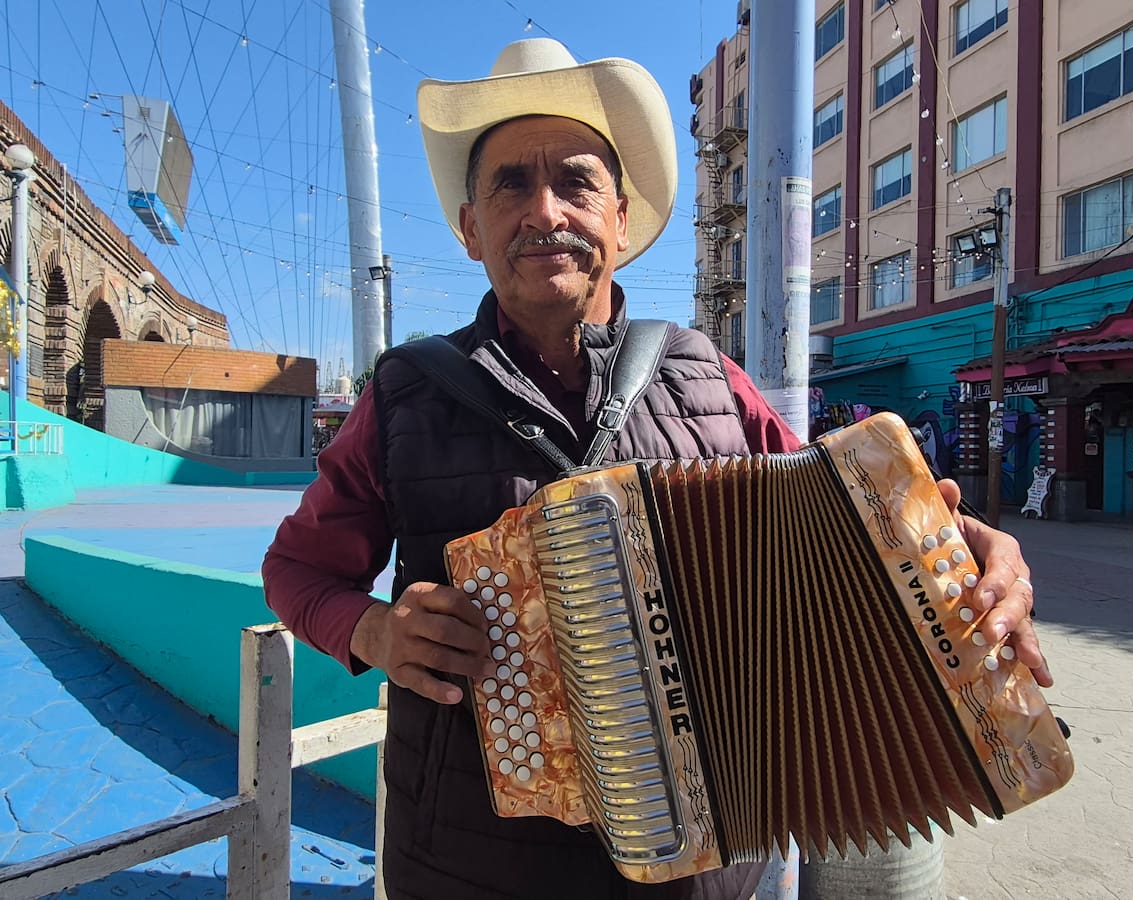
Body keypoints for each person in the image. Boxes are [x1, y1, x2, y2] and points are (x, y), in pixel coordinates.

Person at [262, 38, 1049, 900]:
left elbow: (851, 524)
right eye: (510, 185)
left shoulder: (705, 373)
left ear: (622, 221)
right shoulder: (407, 392)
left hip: (706, 869)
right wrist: (373, 632)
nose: (544, 210)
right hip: (472, 865)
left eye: (576, 181)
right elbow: (297, 570)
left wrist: (968, 551)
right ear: (470, 228)